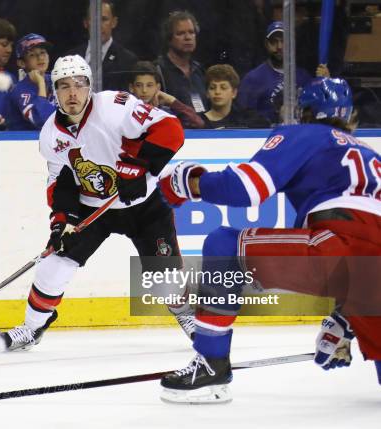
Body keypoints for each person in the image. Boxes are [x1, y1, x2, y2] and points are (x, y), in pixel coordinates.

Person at [157, 77, 381, 404]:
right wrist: (344, 323)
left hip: (340, 243)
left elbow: (246, 188)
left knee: (224, 245)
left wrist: (188, 182)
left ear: (304, 113)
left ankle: (210, 365)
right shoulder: (372, 156)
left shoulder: (306, 134)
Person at [2, 55, 193, 351]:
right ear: (55, 91)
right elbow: (60, 181)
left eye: (79, 84)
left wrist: (137, 168)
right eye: (64, 86)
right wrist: (62, 220)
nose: (73, 93)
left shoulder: (116, 106)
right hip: (93, 210)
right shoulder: (50, 135)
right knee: (53, 266)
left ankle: (186, 315)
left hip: (145, 206)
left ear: (90, 86)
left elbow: (170, 128)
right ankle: (31, 328)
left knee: (165, 283)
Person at [237, 21, 314, 125]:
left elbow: (315, 111)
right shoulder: (252, 79)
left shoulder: (304, 77)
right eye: (274, 42)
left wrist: (324, 82)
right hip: (266, 137)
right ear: (266, 44)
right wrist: (274, 118)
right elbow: (244, 117)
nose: (279, 46)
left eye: (284, 41)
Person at [67, 0, 138, 91]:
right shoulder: (70, 57)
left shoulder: (128, 60)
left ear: (114, 22)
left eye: (104, 19)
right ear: (85, 23)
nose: (98, 25)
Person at [155, 10, 207, 114]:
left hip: (203, 129)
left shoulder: (199, 70)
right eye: (181, 33)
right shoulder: (157, 70)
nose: (188, 37)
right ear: (169, 38)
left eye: (191, 32)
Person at [128, 60, 203, 129]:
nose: (144, 90)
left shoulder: (166, 113)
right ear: (131, 87)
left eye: (149, 85)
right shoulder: (125, 111)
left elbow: (198, 123)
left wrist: (172, 101)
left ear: (158, 87)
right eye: (139, 85)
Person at [5, 33, 57, 131]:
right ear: (22, 63)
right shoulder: (19, 90)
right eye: (32, 55)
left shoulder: (55, 80)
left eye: (43, 52)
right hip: (21, 144)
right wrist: (41, 84)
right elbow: (41, 120)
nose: (40, 58)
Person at [199, 64, 270, 129]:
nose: (217, 92)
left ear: (234, 93)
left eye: (223, 88)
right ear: (207, 93)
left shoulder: (249, 118)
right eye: (212, 88)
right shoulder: (198, 122)